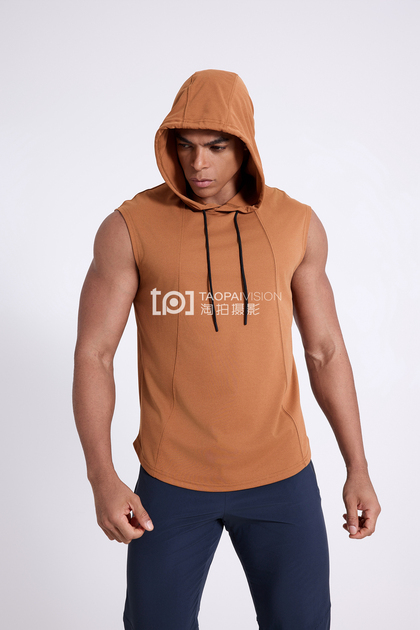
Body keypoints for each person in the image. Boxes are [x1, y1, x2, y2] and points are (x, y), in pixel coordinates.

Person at [73, 69, 381, 629]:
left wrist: (357, 466)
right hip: (170, 481)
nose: (198, 164)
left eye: (216, 146)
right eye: (185, 146)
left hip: (282, 478)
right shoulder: (129, 227)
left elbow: (325, 351)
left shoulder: (296, 224)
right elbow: (94, 353)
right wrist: (102, 477)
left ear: (245, 145)